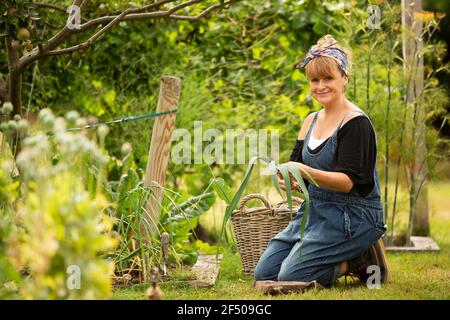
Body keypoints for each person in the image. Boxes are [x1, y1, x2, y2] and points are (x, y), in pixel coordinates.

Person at [254, 35, 389, 288]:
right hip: (315, 212)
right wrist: (290, 180)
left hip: (353, 215)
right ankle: (338, 256)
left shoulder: (355, 123)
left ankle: (361, 258)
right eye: (314, 80)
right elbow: (296, 170)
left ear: (344, 78)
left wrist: (305, 171)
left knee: (291, 278)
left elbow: (348, 183)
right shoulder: (311, 121)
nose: (320, 86)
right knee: (265, 273)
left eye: (328, 78)